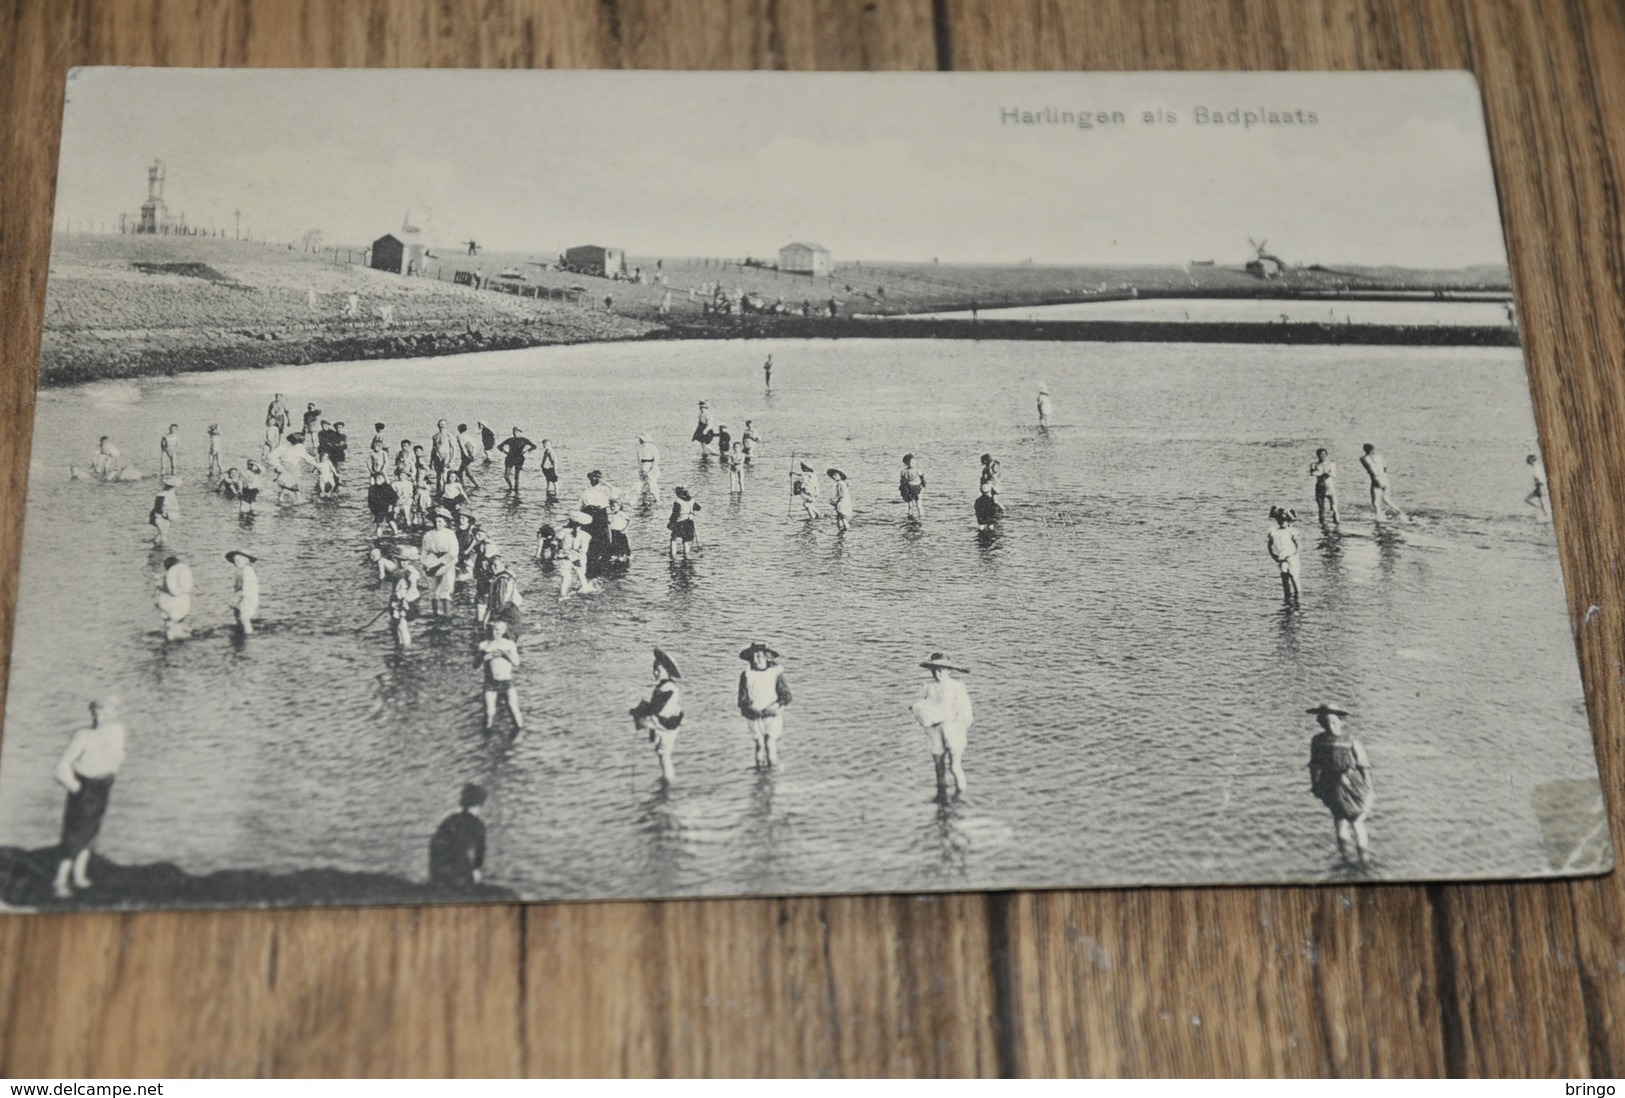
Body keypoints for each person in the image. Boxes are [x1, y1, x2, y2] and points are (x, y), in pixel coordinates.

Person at [51, 697, 127, 899]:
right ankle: (60, 880)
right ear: (93, 713)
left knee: (93, 832)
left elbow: (117, 756)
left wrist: (112, 771)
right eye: (99, 712)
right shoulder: (83, 736)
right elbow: (61, 766)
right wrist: (75, 787)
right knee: (76, 833)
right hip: (85, 787)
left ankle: (79, 877)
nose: (102, 716)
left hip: (103, 786)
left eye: (108, 711)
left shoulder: (116, 732)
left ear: (114, 714)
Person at [1306, 702, 1373, 864]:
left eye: (1332, 721)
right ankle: (1364, 859)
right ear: (1341, 720)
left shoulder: (1317, 741)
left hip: (1330, 784)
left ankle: (1345, 857)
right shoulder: (1351, 741)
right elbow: (1364, 767)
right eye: (1331, 721)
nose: (1332, 725)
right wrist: (1369, 789)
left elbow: (1315, 767)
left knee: (1339, 819)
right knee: (1357, 821)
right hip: (1350, 783)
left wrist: (1316, 785)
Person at [911, 653, 973, 796]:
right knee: (939, 766)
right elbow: (916, 704)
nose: (937, 674)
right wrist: (922, 713)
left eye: (941, 670)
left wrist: (959, 725)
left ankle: (961, 797)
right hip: (934, 729)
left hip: (953, 729)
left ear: (949, 671)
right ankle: (942, 797)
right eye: (934, 670)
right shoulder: (928, 687)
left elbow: (964, 712)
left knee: (955, 766)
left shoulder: (956, 687)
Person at [631, 648, 685, 784]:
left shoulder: (668, 688)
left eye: (658, 669)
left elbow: (658, 710)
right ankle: (666, 780)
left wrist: (642, 713)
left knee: (664, 755)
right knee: (662, 755)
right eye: (654, 668)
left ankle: (668, 782)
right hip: (665, 725)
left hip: (666, 726)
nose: (655, 672)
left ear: (667, 672)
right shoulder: (664, 686)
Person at [738, 642, 793, 770]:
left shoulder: (775, 673)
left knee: (769, 742)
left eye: (759, 656)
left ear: (767, 658)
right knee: (760, 744)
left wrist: (776, 706)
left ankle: (772, 771)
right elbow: (742, 699)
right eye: (753, 657)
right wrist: (751, 709)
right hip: (754, 714)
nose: (755, 660)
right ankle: (760, 774)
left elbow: (785, 695)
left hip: (772, 713)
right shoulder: (747, 675)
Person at [428, 783, 488, 889]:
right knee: (473, 876)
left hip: (437, 872)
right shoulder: (478, 825)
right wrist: (476, 870)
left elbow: (434, 844)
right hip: (456, 876)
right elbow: (480, 852)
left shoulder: (450, 819)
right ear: (480, 804)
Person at [475, 621, 525, 735]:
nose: (494, 632)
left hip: (506, 682)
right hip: (491, 683)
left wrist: (504, 653)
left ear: (503, 631)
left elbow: (516, 663)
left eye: (497, 630)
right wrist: (484, 658)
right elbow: (475, 665)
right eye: (492, 629)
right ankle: (486, 740)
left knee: (514, 711)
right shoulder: (484, 645)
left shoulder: (509, 644)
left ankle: (520, 736)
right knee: (489, 713)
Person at [420, 511, 460, 617]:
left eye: (440, 521)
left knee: (446, 589)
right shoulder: (428, 534)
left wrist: (440, 565)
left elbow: (453, 552)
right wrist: (424, 564)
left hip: (447, 562)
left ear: (446, 522)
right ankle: (436, 614)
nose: (438, 524)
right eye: (436, 521)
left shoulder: (450, 534)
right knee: (433, 591)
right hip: (432, 560)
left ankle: (447, 615)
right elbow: (424, 551)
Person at [578, 471, 614, 579]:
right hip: (600, 516)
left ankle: (590, 569)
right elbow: (616, 495)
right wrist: (607, 483)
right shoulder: (605, 490)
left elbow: (579, 507)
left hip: (588, 516)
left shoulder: (586, 492)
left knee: (590, 542)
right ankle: (601, 570)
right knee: (603, 542)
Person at [1360, 443, 1406, 521]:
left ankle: (1379, 516)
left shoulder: (1363, 458)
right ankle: (1400, 512)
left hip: (1376, 480)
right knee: (1386, 498)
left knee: (1375, 503)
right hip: (1385, 479)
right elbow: (1386, 468)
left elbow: (1367, 464)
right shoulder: (1379, 457)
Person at [1267, 506, 1303, 607]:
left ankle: (1298, 599)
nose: (1281, 522)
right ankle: (1287, 599)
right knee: (1284, 578)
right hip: (1281, 558)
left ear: (1288, 521)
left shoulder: (1292, 531)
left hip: (1291, 557)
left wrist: (1293, 555)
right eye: (1279, 519)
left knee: (1294, 576)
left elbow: (1298, 545)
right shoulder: (1274, 532)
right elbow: (1269, 545)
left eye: (1284, 520)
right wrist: (1274, 555)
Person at [388, 546, 422, 647]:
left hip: (408, 599)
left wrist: (405, 600)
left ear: (409, 561)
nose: (402, 563)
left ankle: (406, 645)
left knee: (402, 623)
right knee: (395, 623)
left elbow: (412, 588)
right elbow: (394, 587)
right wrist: (392, 599)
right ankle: (399, 643)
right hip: (396, 598)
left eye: (405, 561)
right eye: (400, 560)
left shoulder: (410, 572)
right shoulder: (396, 571)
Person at [483, 552, 524, 635]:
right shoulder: (508, 575)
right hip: (512, 610)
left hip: (505, 613)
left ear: (503, 565)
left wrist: (494, 618)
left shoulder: (501, 580)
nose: (493, 567)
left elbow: (500, 602)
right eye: (491, 565)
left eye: (495, 565)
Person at [156, 555, 194, 640]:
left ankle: (171, 634)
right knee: (177, 619)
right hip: (180, 601)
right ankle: (180, 632)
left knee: (169, 620)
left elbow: (169, 589)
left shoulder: (167, 576)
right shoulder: (183, 571)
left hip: (167, 602)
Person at [559, 511, 595, 598]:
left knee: (565, 578)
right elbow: (584, 550)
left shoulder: (563, 531)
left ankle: (562, 595)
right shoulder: (585, 535)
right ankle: (584, 591)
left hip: (565, 555)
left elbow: (558, 542)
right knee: (581, 576)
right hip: (578, 557)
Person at [227, 550, 259, 635]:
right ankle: (241, 634)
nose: (236, 563)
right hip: (241, 597)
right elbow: (238, 588)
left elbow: (246, 589)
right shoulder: (240, 571)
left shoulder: (247, 571)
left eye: (239, 560)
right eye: (235, 561)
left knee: (244, 618)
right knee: (238, 616)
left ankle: (248, 635)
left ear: (245, 560)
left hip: (248, 598)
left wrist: (235, 599)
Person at [495, 428, 534, 493]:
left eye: (517, 432)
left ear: (520, 432)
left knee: (516, 478)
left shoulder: (524, 440)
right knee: (506, 476)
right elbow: (499, 446)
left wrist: (526, 451)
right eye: (514, 432)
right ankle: (510, 487)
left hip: (519, 458)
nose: (515, 433)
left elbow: (534, 446)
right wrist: (505, 452)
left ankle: (516, 491)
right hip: (510, 458)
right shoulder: (510, 440)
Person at [667, 487, 701, 560]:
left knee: (673, 538)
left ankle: (673, 556)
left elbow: (675, 514)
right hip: (689, 523)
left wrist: (671, 523)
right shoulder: (692, 500)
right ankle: (687, 556)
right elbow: (698, 508)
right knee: (686, 540)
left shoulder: (678, 502)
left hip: (680, 523)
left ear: (679, 493)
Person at [1310, 448, 1339, 527]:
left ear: (1326, 455)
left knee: (1334, 508)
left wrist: (1321, 473)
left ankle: (1337, 524)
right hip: (1320, 488)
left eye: (1323, 454)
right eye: (1320, 454)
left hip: (1330, 488)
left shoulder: (1331, 464)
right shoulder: (1314, 464)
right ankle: (1322, 526)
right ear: (1318, 455)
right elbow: (1312, 473)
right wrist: (1325, 473)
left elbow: (1334, 475)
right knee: (1321, 509)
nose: (1322, 456)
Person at [149, 475, 180, 546]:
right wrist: (163, 513)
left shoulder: (170, 493)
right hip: (159, 516)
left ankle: (157, 546)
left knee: (163, 532)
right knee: (163, 533)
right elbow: (158, 506)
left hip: (165, 516)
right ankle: (160, 547)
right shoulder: (162, 494)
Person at [431, 419, 458, 493]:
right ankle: (438, 491)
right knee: (438, 476)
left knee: (444, 475)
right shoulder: (435, 436)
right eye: (440, 424)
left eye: (443, 424)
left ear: (446, 425)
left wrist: (452, 461)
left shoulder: (449, 435)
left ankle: (445, 491)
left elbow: (454, 448)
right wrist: (431, 461)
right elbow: (433, 449)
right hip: (437, 457)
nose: (441, 426)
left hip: (446, 456)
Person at [898, 453, 926, 519]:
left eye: (914, 462)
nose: (913, 463)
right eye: (911, 462)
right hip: (908, 488)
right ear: (907, 463)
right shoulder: (904, 471)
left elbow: (923, 480)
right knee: (910, 505)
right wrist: (904, 489)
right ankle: (910, 517)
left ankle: (921, 517)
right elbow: (902, 481)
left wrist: (923, 488)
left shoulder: (917, 470)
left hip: (917, 488)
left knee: (918, 504)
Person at [456, 423, 481, 490]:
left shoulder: (459, 436)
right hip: (470, 453)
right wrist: (473, 454)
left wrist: (466, 455)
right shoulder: (468, 436)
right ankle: (476, 485)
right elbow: (474, 446)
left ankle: (463, 486)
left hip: (465, 455)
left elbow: (462, 447)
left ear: (459, 429)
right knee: (467, 472)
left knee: (461, 472)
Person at [828, 467, 853, 533]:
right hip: (844, 503)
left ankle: (846, 530)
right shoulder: (843, 483)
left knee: (842, 517)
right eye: (833, 475)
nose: (833, 476)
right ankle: (842, 530)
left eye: (835, 475)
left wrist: (834, 501)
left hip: (841, 503)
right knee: (840, 517)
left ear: (840, 476)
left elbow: (840, 495)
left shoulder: (840, 484)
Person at [636, 434, 661, 499]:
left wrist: (652, 468)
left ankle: (657, 499)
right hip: (643, 468)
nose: (639, 440)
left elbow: (656, 459)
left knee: (652, 484)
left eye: (640, 439)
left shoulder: (652, 448)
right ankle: (644, 499)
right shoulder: (640, 448)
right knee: (643, 485)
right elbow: (639, 459)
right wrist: (641, 469)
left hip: (651, 468)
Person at [1525, 453, 1549, 518]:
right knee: (1527, 500)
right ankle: (1542, 512)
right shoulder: (1536, 467)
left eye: (1529, 461)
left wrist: (1540, 486)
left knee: (1542, 502)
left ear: (1531, 461)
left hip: (1540, 486)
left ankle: (1546, 515)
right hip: (1538, 487)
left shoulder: (1536, 467)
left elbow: (1540, 478)